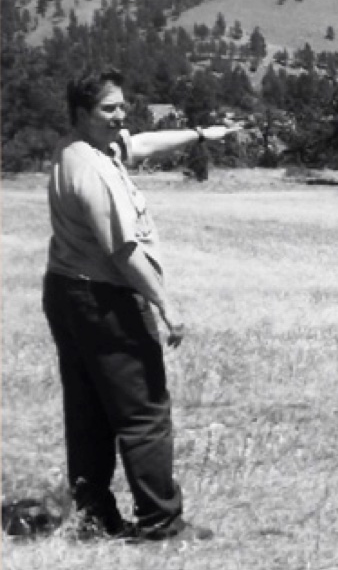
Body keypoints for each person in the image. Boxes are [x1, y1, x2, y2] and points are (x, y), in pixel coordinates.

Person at [43, 69, 237, 542]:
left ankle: (93, 517)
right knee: (143, 410)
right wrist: (166, 304)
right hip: (103, 297)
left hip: (67, 291)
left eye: (121, 106)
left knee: (89, 410)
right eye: (108, 109)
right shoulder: (92, 171)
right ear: (82, 114)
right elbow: (123, 251)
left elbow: (144, 143)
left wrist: (198, 134)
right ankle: (161, 522)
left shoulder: (83, 150)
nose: (120, 116)